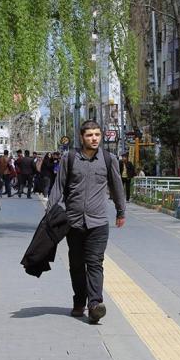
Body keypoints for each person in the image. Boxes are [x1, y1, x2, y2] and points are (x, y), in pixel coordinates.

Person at [48, 120, 126, 323]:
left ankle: (94, 305)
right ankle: (79, 301)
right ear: (81, 137)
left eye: (97, 135)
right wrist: (50, 211)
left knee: (94, 263)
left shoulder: (109, 159)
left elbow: (117, 186)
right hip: (73, 222)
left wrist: (121, 211)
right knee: (76, 264)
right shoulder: (70, 158)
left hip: (98, 222)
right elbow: (59, 185)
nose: (94, 138)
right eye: (90, 135)